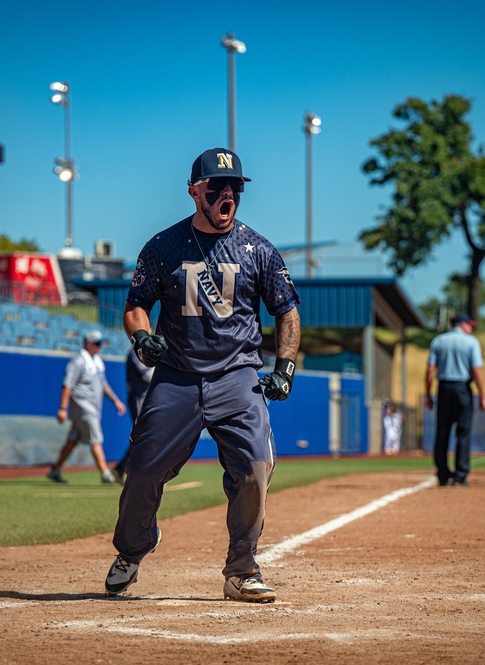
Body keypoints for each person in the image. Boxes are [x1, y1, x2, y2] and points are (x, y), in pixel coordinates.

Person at [104, 147, 301, 603]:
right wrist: (142, 338)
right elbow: (136, 306)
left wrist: (285, 369)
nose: (228, 193)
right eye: (217, 186)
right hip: (177, 374)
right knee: (142, 469)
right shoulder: (162, 246)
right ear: (195, 192)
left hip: (238, 375)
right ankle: (133, 549)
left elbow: (287, 312)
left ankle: (242, 570)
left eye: (236, 187)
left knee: (256, 467)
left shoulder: (259, 249)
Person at [47, 330, 127, 484]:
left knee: (72, 441)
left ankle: (55, 469)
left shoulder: (97, 362)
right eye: (97, 344)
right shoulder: (78, 362)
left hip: (93, 408)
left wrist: (115, 400)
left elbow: (103, 384)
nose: (100, 347)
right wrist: (63, 408)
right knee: (96, 439)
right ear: (89, 345)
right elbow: (67, 385)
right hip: (83, 407)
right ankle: (105, 474)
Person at [425, 312, 485, 486]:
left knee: (442, 432)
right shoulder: (471, 342)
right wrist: (482, 395)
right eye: (470, 325)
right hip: (462, 389)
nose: (471, 328)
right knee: (463, 432)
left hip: (444, 388)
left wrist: (428, 394)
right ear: (463, 324)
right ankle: (460, 475)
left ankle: (443, 474)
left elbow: (431, 369)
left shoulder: (438, 341)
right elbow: (476, 370)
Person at [111, 348, 155, 482]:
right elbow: (147, 375)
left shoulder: (148, 349)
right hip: (138, 398)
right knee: (144, 435)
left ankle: (121, 469)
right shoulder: (136, 352)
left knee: (147, 435)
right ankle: (139, 473)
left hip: (146, 397)